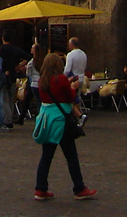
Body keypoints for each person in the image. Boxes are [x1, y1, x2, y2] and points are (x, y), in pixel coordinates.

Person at [32, 51, 97, 201]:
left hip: (47, 120)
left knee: (46, 156)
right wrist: (73, 87)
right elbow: (70, 98)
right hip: (61, 121)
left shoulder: (42, 81)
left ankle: (40, 188)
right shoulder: (61, 79)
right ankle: (79, 188)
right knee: (71, 156)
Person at [0, 31, 28, 130]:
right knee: (11, 98)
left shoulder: (0, 50)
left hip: (3, 75)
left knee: (5, 98)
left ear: (2, 39)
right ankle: (10, 118)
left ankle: (9, 119)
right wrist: (18, 66)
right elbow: (28, 57)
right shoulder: (15, 49)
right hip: (13, 75)